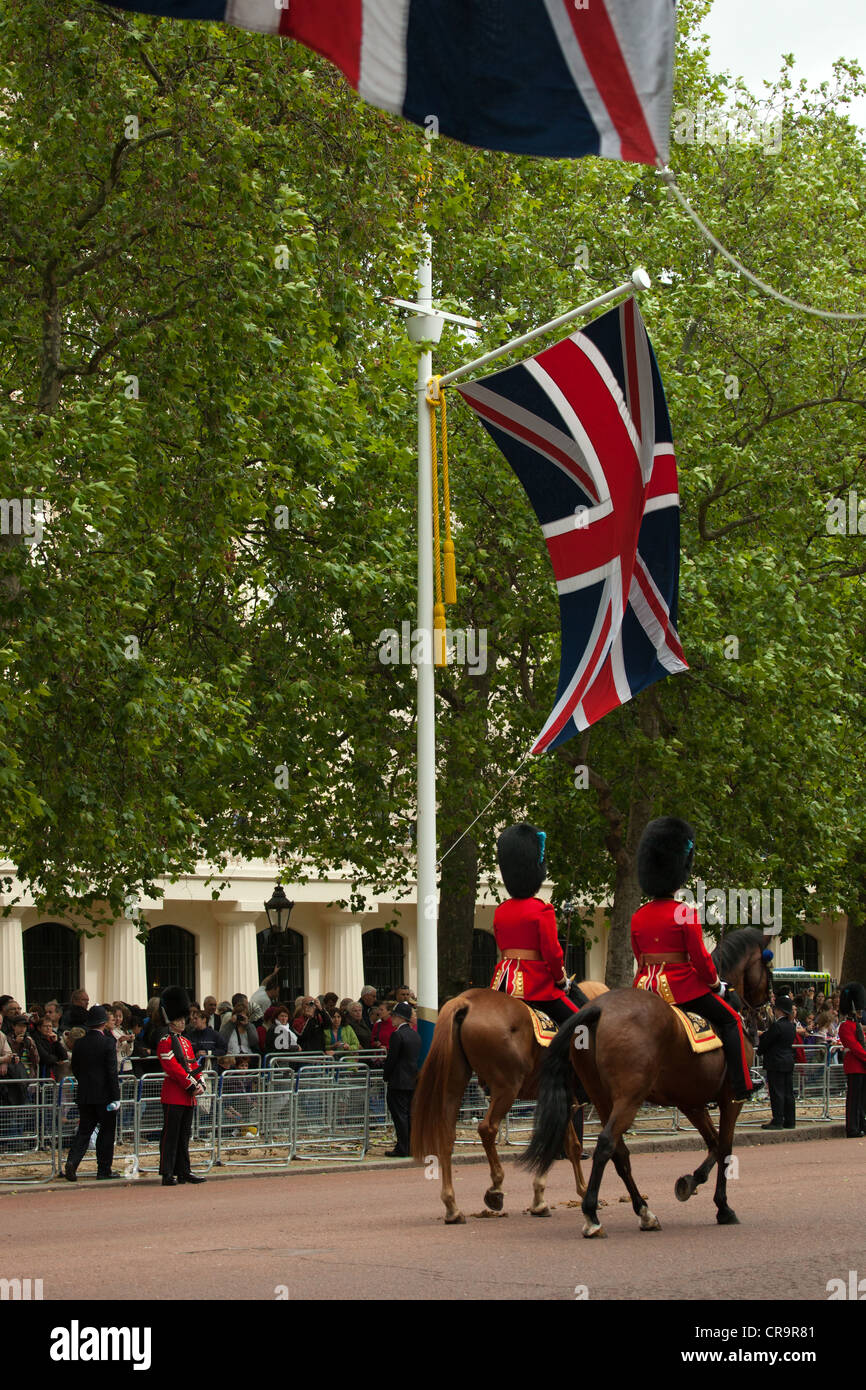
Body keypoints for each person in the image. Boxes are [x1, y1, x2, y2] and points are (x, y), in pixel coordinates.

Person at [630, 816, 758, 1104]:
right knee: (731, 1019)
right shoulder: (684, 912)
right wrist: (716, 985)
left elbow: (640, 958)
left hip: (645, 987)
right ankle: (741, 1083)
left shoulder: (638, 916)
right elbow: (701, 960)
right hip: (682, 988)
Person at [489, 822, 579, 1026]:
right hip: (535, 986)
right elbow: (552, 953)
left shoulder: (501, 911)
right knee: (582, 1024)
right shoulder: (542, 910)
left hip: (502, 983)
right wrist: (561, 980)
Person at [63, 1006, 122, 1181]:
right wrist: (116, 1096)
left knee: (84, 1131)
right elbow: (112, 1072)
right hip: (104, 1095)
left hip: (85, 1093)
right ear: (103, 1023)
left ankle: (72, 1162)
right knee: (106, 1132)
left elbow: (76, 1068)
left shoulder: (80, 1043)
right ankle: (103, 1169)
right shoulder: (108, 1043)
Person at [156, 986, 207, 1185]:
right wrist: (191, 1084)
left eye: (183, 1019)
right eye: (178, 1019)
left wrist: (200, 1081)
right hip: (174, 1094)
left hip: (188, 1095)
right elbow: (173, 1068)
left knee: (184, 1136)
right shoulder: (165, 1041)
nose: (182, 1022)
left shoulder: (185, 1042)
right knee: (171, 1136)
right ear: (171, 1020)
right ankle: (167, 1172)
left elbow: (193, 1064)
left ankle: (184, 1170)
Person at [382, 1002, 422, 1156]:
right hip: (412, 1079)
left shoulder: (397, 1035)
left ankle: (403, 1147)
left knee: (400, 1116)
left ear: (399, 1018)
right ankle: (411, 1146)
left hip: (398, 1081)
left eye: (393, 1016)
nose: (392, 1019)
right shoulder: (415, 1034)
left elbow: (392, 1059)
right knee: (410, 1115)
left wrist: (386, 1075)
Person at [757, 996, 797, 1129]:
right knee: (788, 1092)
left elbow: (767, 1042)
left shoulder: (777, 1026)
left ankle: (778, 1120)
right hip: (788, 1061)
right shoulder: (791, 1026)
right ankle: (790, 1120)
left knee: (777, 1092)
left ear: (779, 1010)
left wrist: (760, 1046)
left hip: (776, 1062)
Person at [838, 982, 866, 1138]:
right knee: (854, 1099)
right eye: (859, 1010)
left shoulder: (857, 1025)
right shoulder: (845, 1026)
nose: (861, 1013)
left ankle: (861, 1124)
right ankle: (852, 1127)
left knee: (862, 1099)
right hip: (855, 1065)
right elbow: (854, 1047)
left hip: (862, 1065)